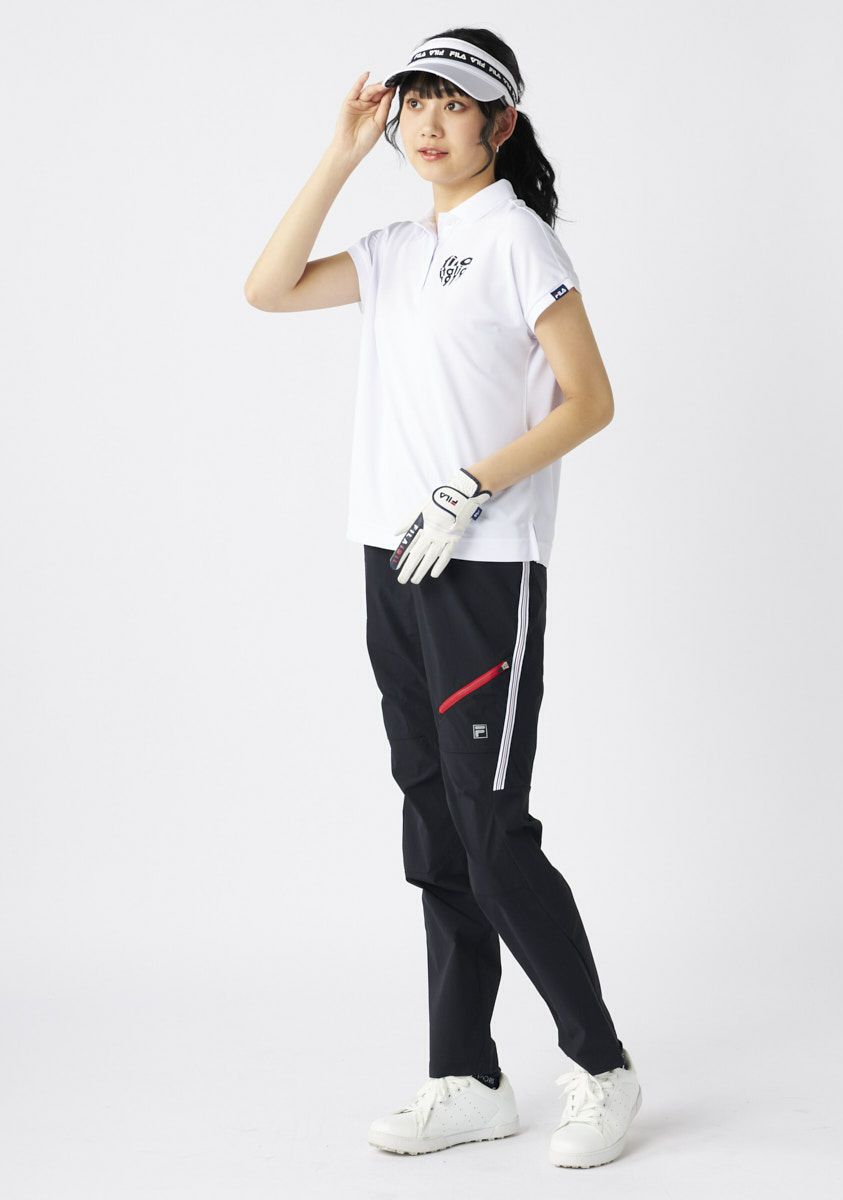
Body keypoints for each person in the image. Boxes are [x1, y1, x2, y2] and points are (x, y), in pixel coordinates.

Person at [244, 27, 642, 1170]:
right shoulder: (394, 250)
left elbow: (589, 399)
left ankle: (602, 1067)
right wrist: (338, 155)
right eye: (413, 100)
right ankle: (465, 1075)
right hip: (390, 557)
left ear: (499, 125)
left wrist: (471, 486)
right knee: (432, 820)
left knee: (491, 830)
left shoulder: (517, 239)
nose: (426, 121)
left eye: (453, 104)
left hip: (482, 564)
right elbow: (266, 288)